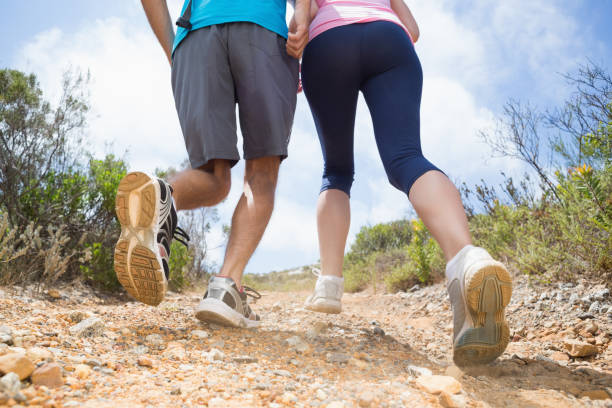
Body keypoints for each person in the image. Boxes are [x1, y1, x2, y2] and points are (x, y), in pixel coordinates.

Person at [300, 0, 513, 366]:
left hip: (329, 40)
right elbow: (412, 29)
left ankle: (330, 285)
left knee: (336, 171)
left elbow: (299, 19)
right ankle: (466, 259)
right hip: (390, 39)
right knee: (406, 158)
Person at [113, 0, 310, 328]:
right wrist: (302, 12)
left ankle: (165, 196)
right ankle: (226, 287)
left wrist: (172, 48)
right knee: (261, 174)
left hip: (195, 38)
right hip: (262, 32)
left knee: (213, 177)